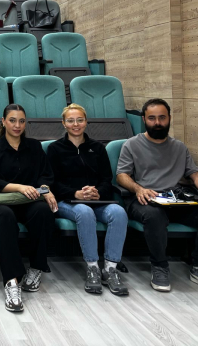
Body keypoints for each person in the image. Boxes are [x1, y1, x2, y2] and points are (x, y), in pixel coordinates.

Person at [116, 98, 198, 293]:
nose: (157, 123)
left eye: (162, 118)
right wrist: (138, 189)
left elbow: (196, 174)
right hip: (144, 199)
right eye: (152, 118)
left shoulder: (179, 147)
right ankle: (159, 266)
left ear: (169, 118)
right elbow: (122, 175)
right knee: (154, 215)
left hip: (176, 199)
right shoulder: (131, 145)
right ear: (144, 120)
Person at [0, 104, 57, 313]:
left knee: (43, 211)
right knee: (5, 216)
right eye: (12, 120)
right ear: (3, 122)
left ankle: (36, 267)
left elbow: (45, 175)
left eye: (21, 121)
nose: (17, 125)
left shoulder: (35, 147)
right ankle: (12, 282)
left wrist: (46, 190)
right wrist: (20, 187)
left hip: (27, 200)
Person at [47, 104, 128, 296]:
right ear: (63, 123)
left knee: (119, 213)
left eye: (80, 120)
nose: (76, 124)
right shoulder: (55, 149)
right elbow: (52, 182)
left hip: (96, 200)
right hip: (67, 201)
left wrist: (98, 192)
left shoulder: (97, 148)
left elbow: (107, 179)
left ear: (86, 122)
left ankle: (110, 269)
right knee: (84, 212)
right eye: (71, 120)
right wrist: (75, 193)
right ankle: (92, 268)